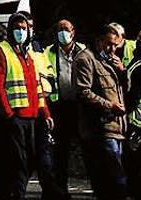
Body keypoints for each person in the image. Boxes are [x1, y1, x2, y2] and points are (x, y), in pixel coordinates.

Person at [0, 8, 60, 199]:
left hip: (33, 117)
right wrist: (9, 115)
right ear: (10, 30)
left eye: (24, 28)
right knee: (19, 163)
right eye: (17, 28)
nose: (21, 31)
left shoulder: (27, 53)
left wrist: (46, 113)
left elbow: (37, 87)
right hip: (16, 118)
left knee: (29, 163)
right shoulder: (1, 50)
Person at [73, 23, 129, 198]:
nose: (112, 49)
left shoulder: (111, 61)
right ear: (99, 41)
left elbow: (123, 90)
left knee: (115, 178)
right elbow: (83, 92)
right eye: (109, 44)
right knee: (113, 179)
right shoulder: (86, 59)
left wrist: (122, 71)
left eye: (115, 45)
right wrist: (109, 106)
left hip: (117, 127)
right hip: (100, 129)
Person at [38, 17, 86, 199]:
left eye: (66, 29)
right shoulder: (48, 52)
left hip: (81, 106)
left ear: (73, 32)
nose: (63, 33)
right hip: (59, 107)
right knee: (60, 151)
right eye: (59, 29)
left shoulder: (83, 50)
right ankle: (61, 190)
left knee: (87, 147)